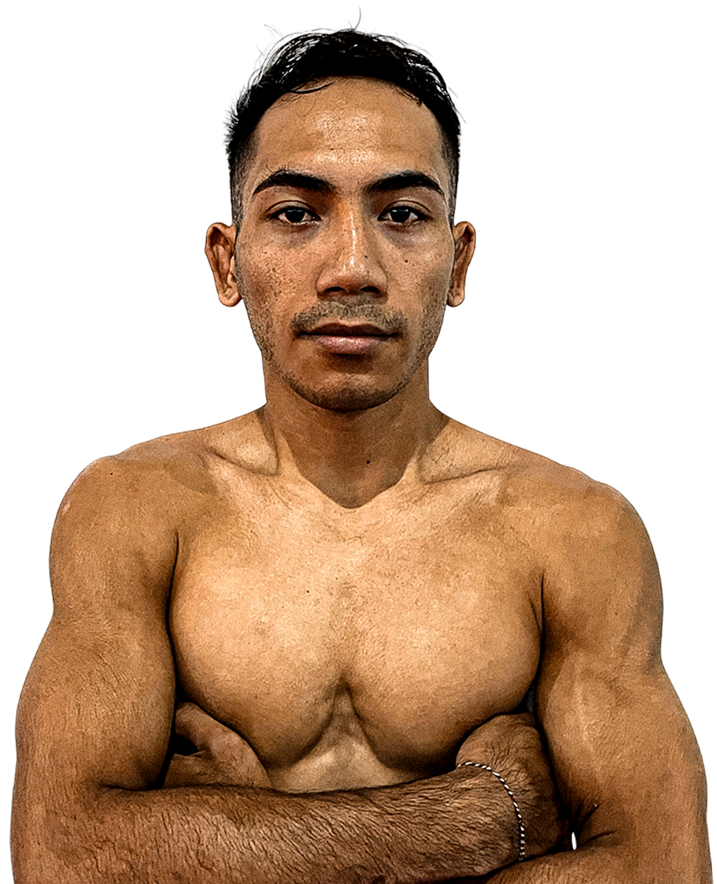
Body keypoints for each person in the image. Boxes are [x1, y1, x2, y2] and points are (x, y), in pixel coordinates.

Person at [10, 20, 711, 884]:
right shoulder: (134, 508)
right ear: (227, 262)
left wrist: (229, 845)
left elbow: (660, 868)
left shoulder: (573, 531)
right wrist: (483, 816)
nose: (352, 268)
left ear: (459, 264)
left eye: (402, 215)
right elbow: (61, 855)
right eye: (296, 214)